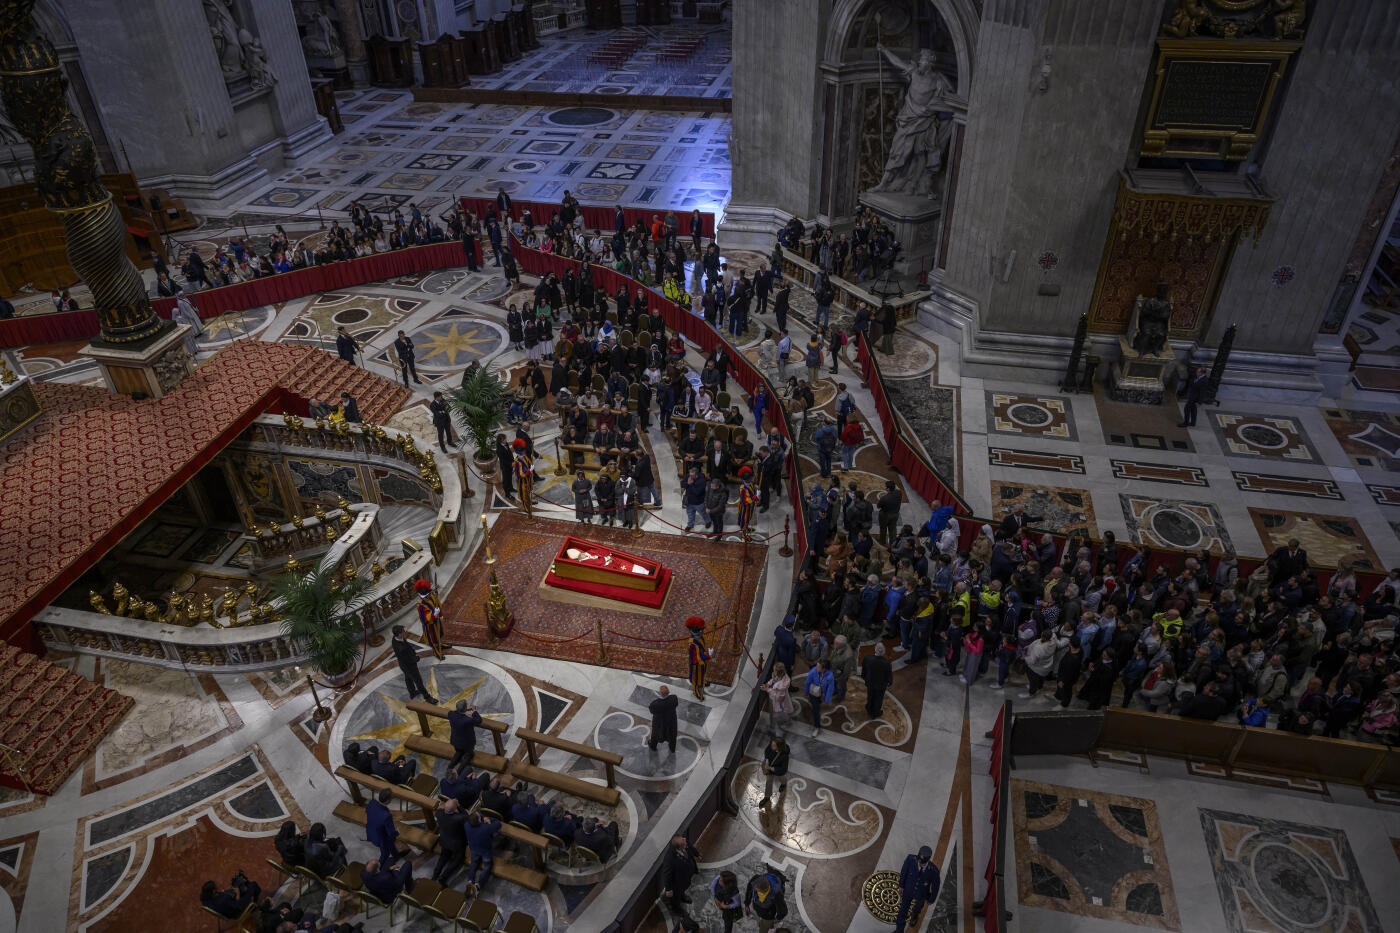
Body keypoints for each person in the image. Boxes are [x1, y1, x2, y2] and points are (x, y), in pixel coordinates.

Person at [894, 846, 941, 932]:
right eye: (918, 861)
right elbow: (904, 872)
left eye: (922, 863)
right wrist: (901, 885)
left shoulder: (933, 871)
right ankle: (899, 931)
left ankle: (915, 916)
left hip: (921, 893)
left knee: (917, 908)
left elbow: (936, 886)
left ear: (928, 860)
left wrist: (931, 899)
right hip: (908, 890)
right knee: (902, 912)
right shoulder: (910, 859)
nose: (919, 864)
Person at [390, 625, 436, 703]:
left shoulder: (395, 639)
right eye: (403, 631)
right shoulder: (401, 648)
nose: (405, 632)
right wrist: (417, 658)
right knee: (418, 681)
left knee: (408, 678)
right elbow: (408, 659)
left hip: (403, 665)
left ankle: (412, 692)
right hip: (409, 666)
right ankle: (427, 697)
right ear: (399, 634)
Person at [463, 811, 502, 895]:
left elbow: (475, 816)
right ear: (479, 821)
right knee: (487, 865)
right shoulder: (486, 828)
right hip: (485, 850)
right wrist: (488, 819)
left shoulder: (466, 825)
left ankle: (470, 881)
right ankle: (479, 885)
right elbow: (498, 824)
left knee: (474, 863)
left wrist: (482, 817)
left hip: (473, 848)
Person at [365, 788, 406, 864]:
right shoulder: (386, 816)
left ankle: (396, 855)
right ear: (388, 801)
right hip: (381, 838)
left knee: (391, 845)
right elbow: (390, 833)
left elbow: (367, 812)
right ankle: (379, 867)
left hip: (371, 830)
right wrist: (397, 832)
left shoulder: (372, 802)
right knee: (385, 854)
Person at [432, 798, 468, 884]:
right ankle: (443, 878)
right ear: (455, 809)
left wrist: (450, 805)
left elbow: (441, 809)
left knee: (443, 857)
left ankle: (435, 875)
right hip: (457, 844)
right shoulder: (459, 818)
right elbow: (466, 816)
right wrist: (458, 805)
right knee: (458, 859)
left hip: (444, 840)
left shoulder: (439, 813)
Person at [660, 835, 701, 910]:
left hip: (685, 877)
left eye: (684, 839)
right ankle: (676, 908)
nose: (685, 840)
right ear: (679, 848)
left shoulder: (683, 842)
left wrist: (697, 854)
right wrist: (669, 889)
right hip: (677, 883)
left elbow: (690, 847)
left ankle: (682, 896)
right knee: (675, 897)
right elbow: (667, 875)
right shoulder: (669, 859)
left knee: (682, 889)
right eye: (684, 842)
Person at [447, 700, 482, 773]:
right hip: (467, 743)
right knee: (469, 755)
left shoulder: (451, 714)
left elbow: (455, 712)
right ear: (465, 708)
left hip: (455, 741)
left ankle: (450, 767)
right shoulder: (467, 720)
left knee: (459, 752)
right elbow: (478, 720)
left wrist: (465, 709)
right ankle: (459, 772)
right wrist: (473, 711)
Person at [415, 579, 445, 660]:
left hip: (437, 620)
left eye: (428, 594)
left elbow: (437, 603)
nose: (428, 596)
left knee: (440, 633)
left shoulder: (432, 595)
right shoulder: (420, 605)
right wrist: (434, 614)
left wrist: (440, 614)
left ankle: (440, 644)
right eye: (426, 596)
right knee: (433, 639)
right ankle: (436, 651)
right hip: (429, 626)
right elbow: (424, 619)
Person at [862, 642, 893, 718]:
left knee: (870, 696)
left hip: (870, 683)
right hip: (881, 685)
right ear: (884, 652)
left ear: (875, 650)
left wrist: (865, 678)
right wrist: (890, 682)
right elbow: (888, 676)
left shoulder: (867, 658)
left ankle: (869, 708)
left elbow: (864, 671)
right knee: (878, 699)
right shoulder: (887, 663)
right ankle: (875, 713)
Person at [760, 661, 793, 733]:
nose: (773, 671)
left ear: (778, 672)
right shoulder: (781, 675)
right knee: (780, 712)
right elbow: (773, 679)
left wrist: (767, 689)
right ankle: (783, 721)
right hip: (775, 698)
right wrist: (768, 684)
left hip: (778, 701)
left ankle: (773, 726)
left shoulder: (782, 685)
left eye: (774, 670)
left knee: (778, 712)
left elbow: (777, 696)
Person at [803, 659, 834, 733]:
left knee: (817, 706)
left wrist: (827, 699)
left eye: (818, 666)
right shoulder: (813, 671)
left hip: (822, 694)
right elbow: (808, 681)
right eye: (817, 665)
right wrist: (806, 691)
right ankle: (817, 727)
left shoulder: (830, 675)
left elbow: (830, 688)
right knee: (816, 710)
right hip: (814, 693)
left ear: (824, 668)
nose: (816, 667)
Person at [648, 684, 679, 754]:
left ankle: (653, 746)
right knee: (672, 735)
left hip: (659, 722)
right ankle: (672, 748)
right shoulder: (674, 698)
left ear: (661, 694)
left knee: (655, 734)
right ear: (668, 692)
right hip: (671, 721)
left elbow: (651, 710)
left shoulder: (655, 704)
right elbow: (676, 704)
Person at [759, 736, 789, 807]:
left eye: (773, 745)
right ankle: (767, 797)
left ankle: (784, 784)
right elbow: (767, 752)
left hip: (777, 770)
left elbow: (783, 769)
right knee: (769, 781)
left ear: (779, 747)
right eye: (772, 744)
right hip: (769, 765)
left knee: (782, 778)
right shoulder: (771, 745)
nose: (771, 746)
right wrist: (766, 762)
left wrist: (770, 768)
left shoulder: (785, 756)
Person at [687, 616, 710, 700]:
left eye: (701, 629)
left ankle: (704, 681)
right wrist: (707, 656)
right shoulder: (692, 644)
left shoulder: (700, 637)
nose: (701, 632)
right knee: (697, 680)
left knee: (703, 674)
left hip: (702, 662)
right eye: (698, 630)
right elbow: (696, 658)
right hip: (696, 666)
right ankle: (696, 692)